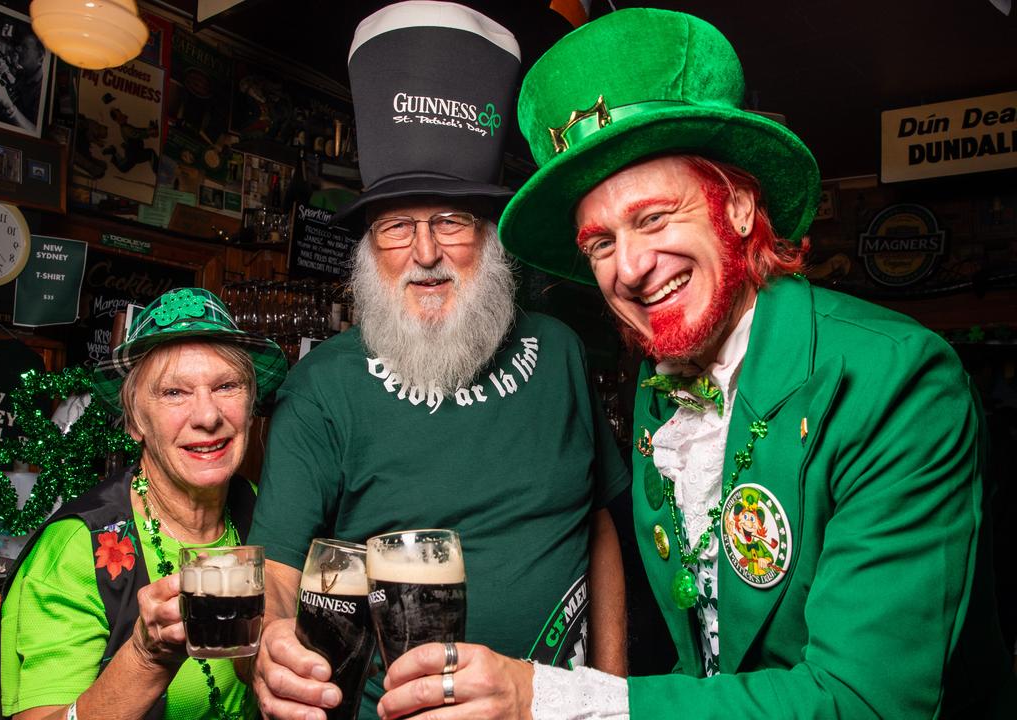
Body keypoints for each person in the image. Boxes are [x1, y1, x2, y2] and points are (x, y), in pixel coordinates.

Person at [377, 8, 1017, 719]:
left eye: (653, 218)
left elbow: (867, 702)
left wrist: (552, 698)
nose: (633, 267)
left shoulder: (896, 381)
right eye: (600, 243)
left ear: (740, 207)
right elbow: (710, 652)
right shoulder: (664, 387)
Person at [248, 3, 629, 719]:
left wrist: (611, 690)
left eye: (451, 222)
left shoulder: (560, 352)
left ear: (490, 240)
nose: (425, 254)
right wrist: (273, 641)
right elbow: (276, 569)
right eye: (397, 228)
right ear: (368, 252)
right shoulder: (324, 385)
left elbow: (598, 525)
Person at [0, 288, 287, 720]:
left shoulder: (268, 514)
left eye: (226, 386)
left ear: (250, 408)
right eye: (175, 392)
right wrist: (144, 657)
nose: (207, 416)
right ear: (135, 422)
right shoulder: (77, 548)